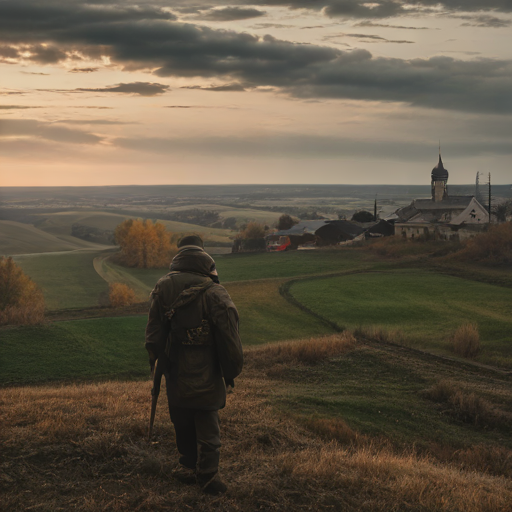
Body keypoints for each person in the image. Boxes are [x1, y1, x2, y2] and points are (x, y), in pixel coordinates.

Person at [145, 235, 243, 495]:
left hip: (175, 368)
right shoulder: (215, 291)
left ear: (179, 256)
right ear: (204, 257)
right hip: (207, 369)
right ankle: (209, 477)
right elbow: (229, 336)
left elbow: (154, 333)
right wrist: (231, 370)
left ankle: (188, 466)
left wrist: (157, 362)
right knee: (207, 420)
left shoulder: (163, 285)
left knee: (181, 418)